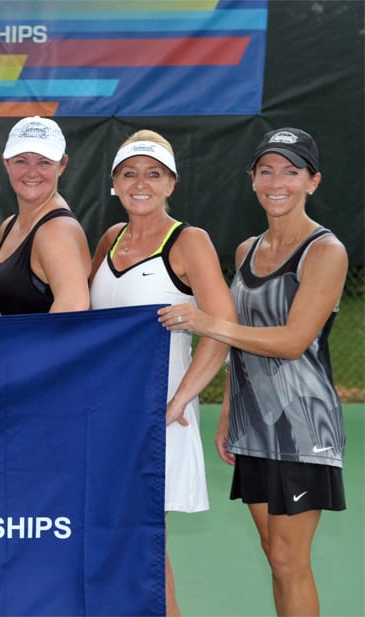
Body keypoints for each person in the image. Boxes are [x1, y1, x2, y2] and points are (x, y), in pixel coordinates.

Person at [159, 128, 347, 616]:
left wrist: (207, 323)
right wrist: (227, 415)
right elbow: (243, 344)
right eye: (266, 171)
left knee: (290, 560)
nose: (277, 181)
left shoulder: (326, 252)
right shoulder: (245, 251)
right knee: (273, 554)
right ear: (253, 180)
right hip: (253, 425)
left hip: (305, 427)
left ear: (313, 181)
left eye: (291, 171)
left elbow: (292, 340)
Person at [89, 130, 236, 616]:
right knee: (121, 540)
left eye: (154, 174)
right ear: (114, 183)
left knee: (145, 543)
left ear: (171, 183)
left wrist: (179, 400)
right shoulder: (110, 239)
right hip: (106, 415)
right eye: (129, 173)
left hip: (159, 420)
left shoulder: (189, 241)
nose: (141, 183)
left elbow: (222, 327)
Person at [0, 116, 92, 314]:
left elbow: (73, 307)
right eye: (21, 161)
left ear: (62, 165)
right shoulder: (9, 226)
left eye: (44, 162)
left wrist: (34, 346)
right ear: (6, 163)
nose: (32, 172)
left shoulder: (57, 231)